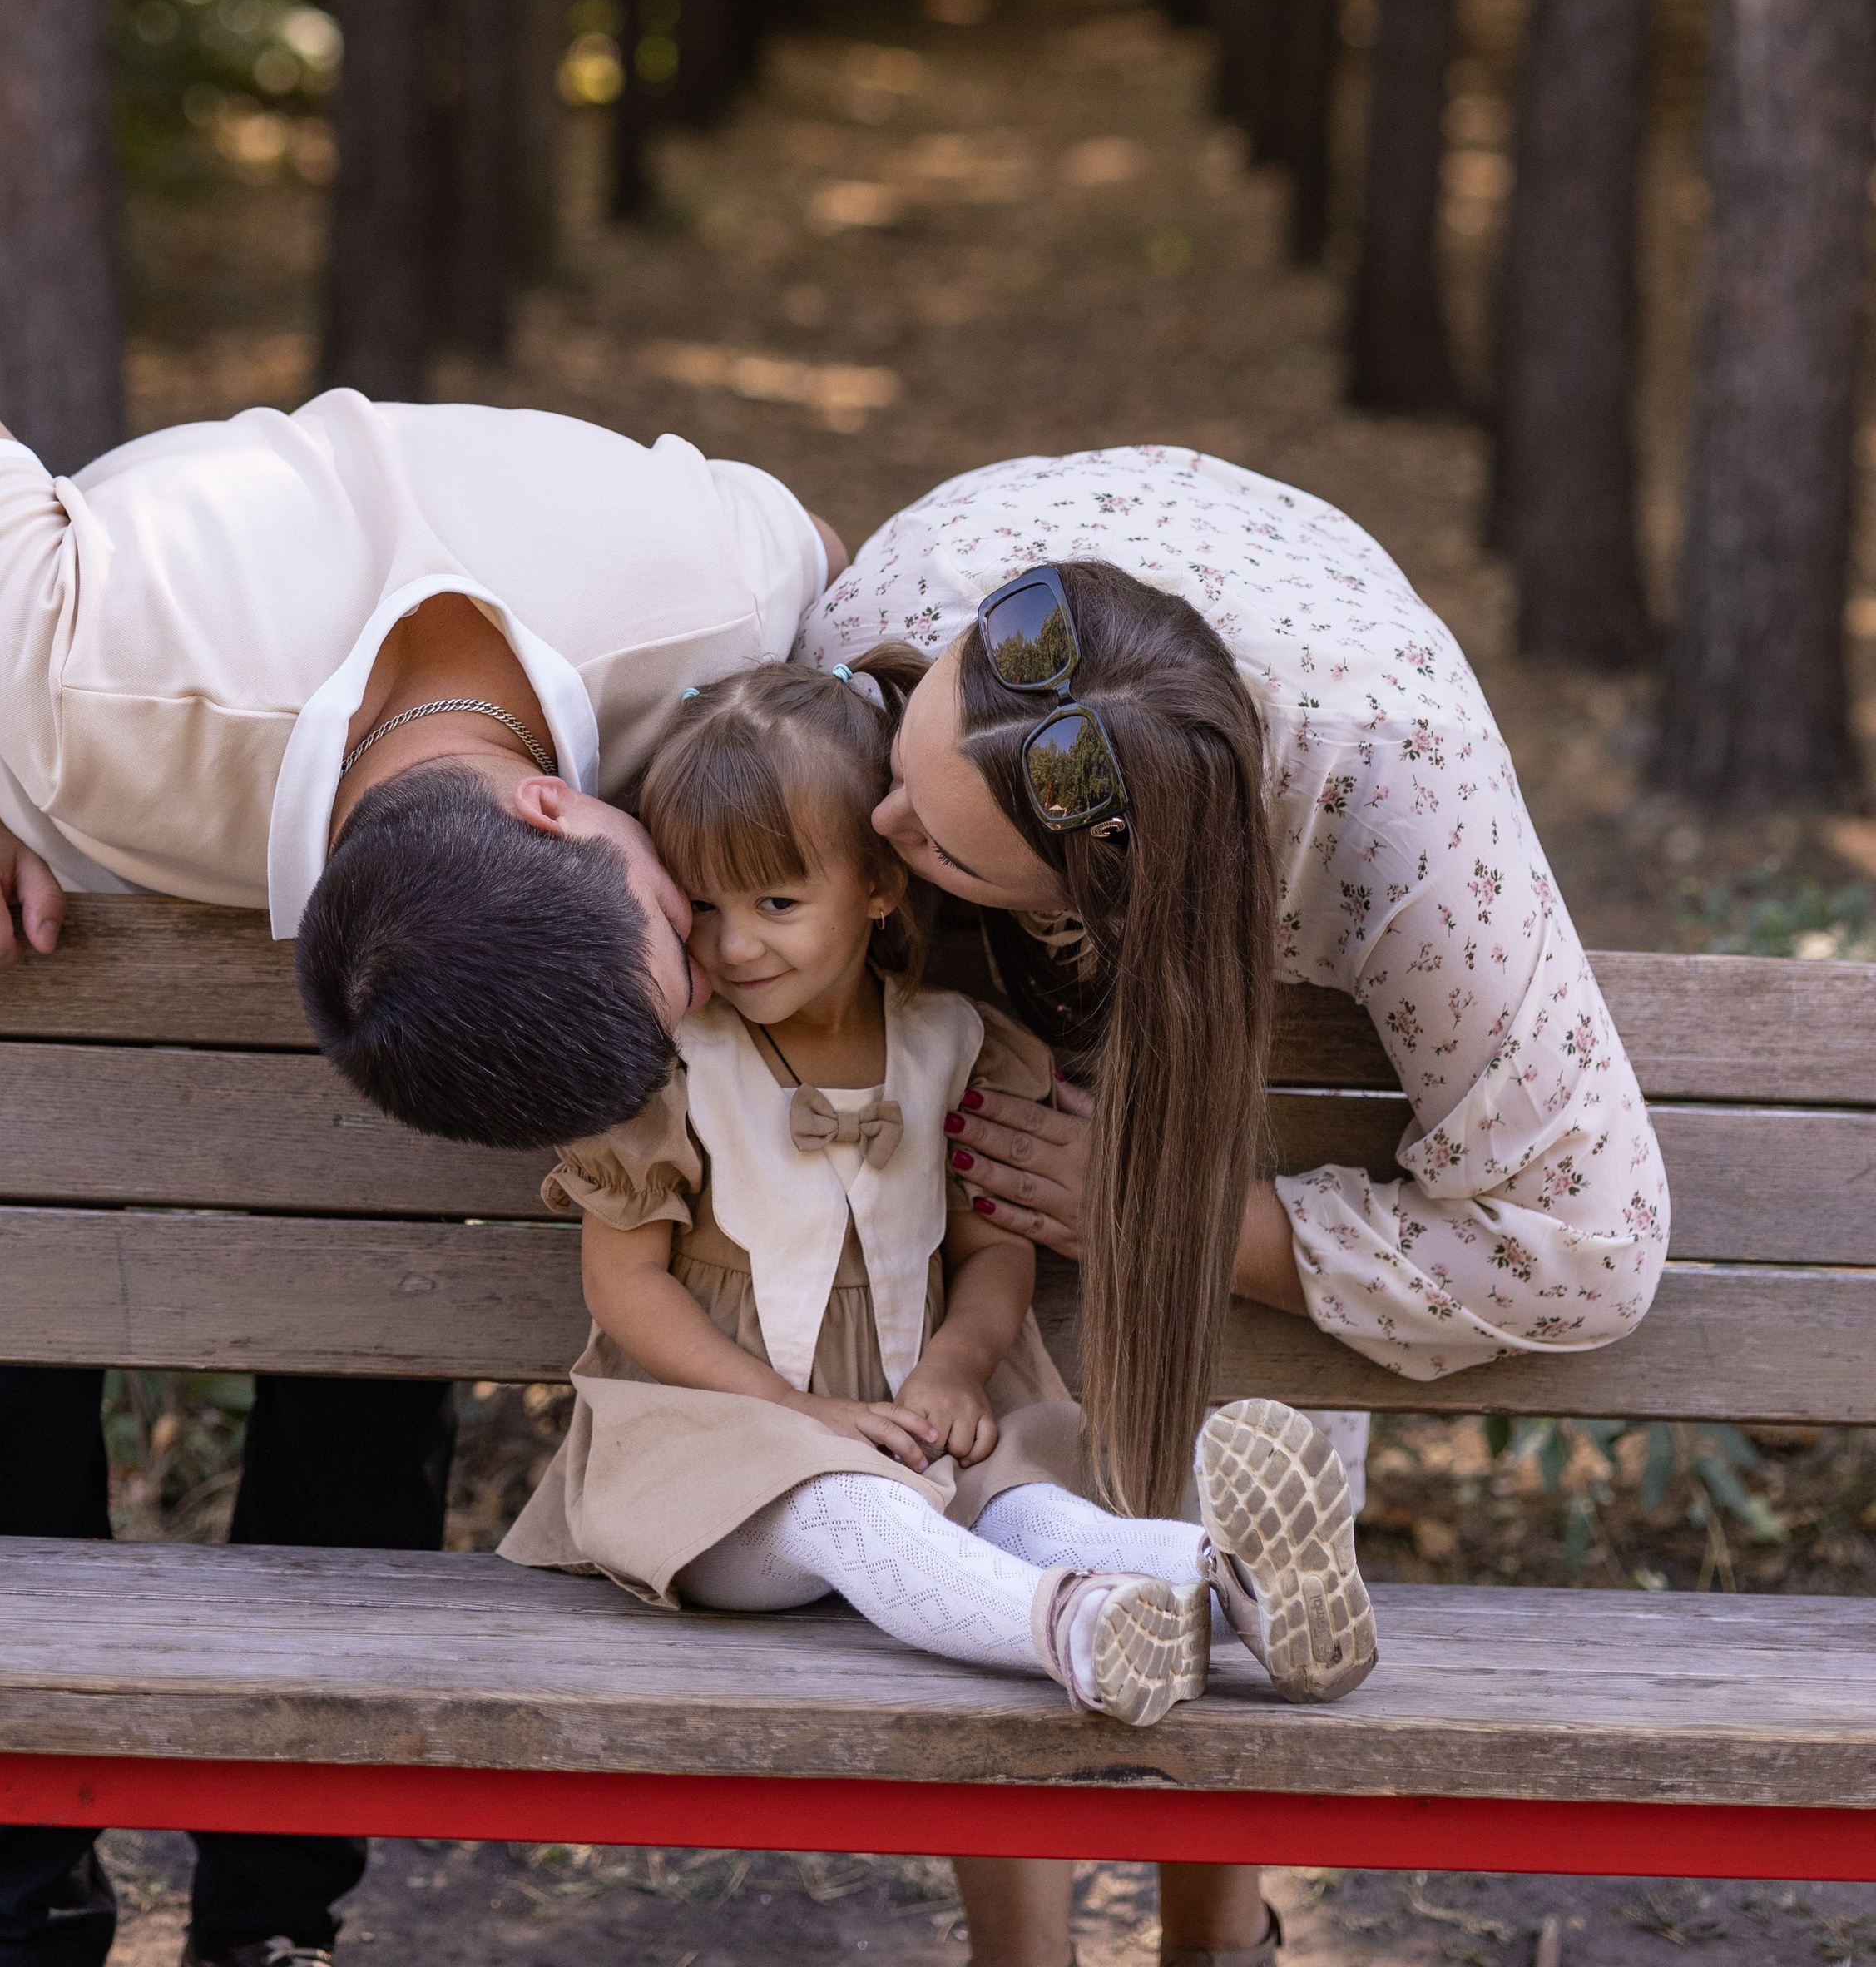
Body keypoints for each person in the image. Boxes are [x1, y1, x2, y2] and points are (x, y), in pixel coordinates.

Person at [0, 335, 845, 1967]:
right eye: (680, 931)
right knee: (11, 1363)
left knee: (375, 1351)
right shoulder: (84, 666)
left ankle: (272, 1928)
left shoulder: (712, 596)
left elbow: (839, 578)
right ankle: (19, 1911)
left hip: (446, 889)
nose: (703, 947)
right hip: (34, 841)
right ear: (554, 807)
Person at [793, 447, 1672, 1967]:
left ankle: (1217, 1938)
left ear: (1100, 894)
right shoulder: (897, 637)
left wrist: (1182, 1218)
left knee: (1245, 1444)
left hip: (1275, 884)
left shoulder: (1402, 800)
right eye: (905, 775)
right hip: (1016, 998)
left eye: (934, 841)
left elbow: (1586, 1245)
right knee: (982, 1396)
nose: (879, 827)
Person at [502, 662, 1375, 1729]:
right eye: (702, 904)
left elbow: (992, 1249)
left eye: (777, 903)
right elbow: (626, 1283)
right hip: (722, 1450)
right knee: (851, 1508)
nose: (732, 945)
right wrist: (789, 1409)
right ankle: (1078, 1633)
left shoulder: (954, 1046)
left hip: (920, 1427)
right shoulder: (669, 1065)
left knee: (1025, 1509)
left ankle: (1237, 1581)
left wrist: (957, 1368)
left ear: (879, 884)